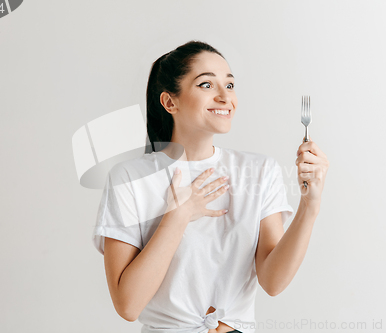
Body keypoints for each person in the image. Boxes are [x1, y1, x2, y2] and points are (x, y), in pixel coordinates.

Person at [93, 40, 330, 333]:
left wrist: (310, 206)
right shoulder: (130, 178)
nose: (224, 97)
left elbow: (273, 282)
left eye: (229, 86)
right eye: (206, 85)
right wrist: (177, 217)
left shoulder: (259, 171)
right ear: (170, 102)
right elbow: (128, 305)